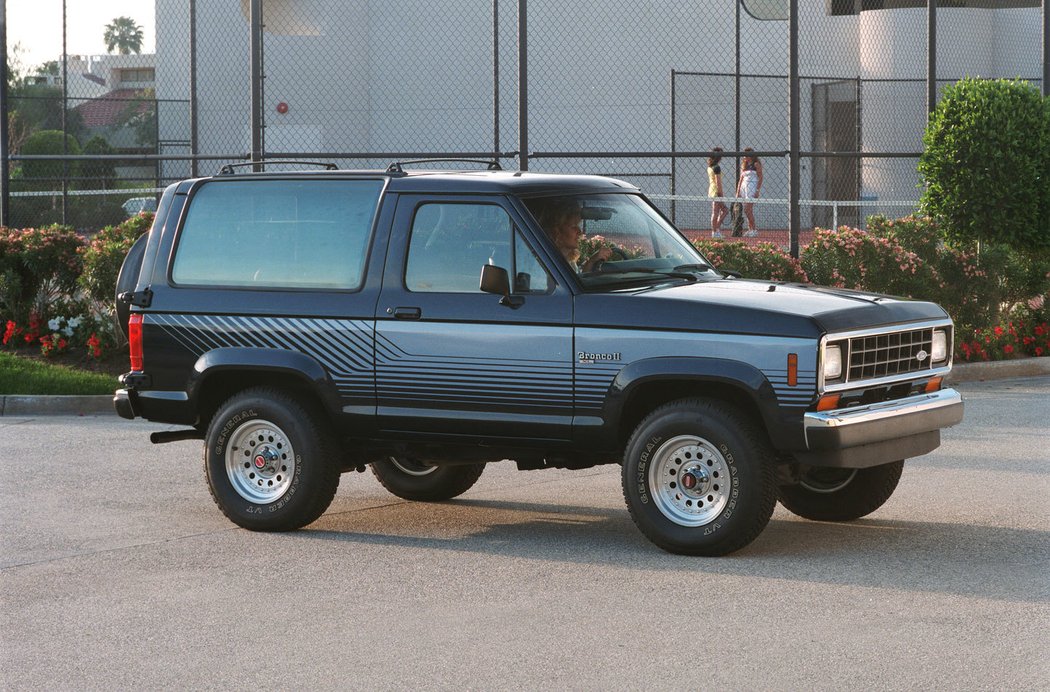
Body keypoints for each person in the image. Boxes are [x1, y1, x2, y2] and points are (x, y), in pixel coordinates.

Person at [533, 197, 611, 272]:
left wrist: (591, 262)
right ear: (557, 230)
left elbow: (578, 282)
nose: (580, 232)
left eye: (578, 225)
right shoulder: (546, 264)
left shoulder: (569, 262)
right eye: (573, 226)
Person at [734, 147, 763, 237]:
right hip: (744, 187)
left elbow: (761, 177)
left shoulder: (756, 164)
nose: (744, 157)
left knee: (747, 210)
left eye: (746, 155)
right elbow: (741, 179)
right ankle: (750, 229)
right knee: (748, 210)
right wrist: (738, 191)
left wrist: (757, 190)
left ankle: (754, 229)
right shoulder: (744, 165)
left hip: (752, 187)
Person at [707, 147, 729, 238]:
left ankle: (716, 230)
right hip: (716, 192)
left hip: (711, 191)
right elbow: (718, 182)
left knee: (724, 210)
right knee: (716, 212)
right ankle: (715, 232)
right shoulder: (716, 167)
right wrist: (721, 194)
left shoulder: (710, 166)